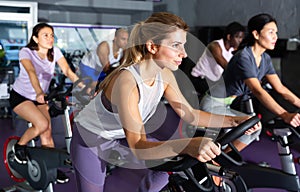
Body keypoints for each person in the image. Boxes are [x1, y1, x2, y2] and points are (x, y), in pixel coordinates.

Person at [70, 12, 260, 192]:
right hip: (92, 139)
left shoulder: (165, 74)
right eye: (176, 45)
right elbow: (138, 146)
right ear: (153, 47)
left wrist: (235, 121)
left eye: (183, 46)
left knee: (170, 163)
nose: (184, 54)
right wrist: (188, 145)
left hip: (120, 135)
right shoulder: (127, 83)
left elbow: (191, 115)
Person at [200, 13, 300, 152]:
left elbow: (281, 88)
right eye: (270, 32)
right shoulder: (244, 57)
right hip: (212, 104)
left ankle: (219, 160)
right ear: (256, 34)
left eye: (276, 33)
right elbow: (257, 91)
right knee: (252, 126)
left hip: (226, 105)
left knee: (253, 127)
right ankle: (216, 162)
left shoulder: (265, 59)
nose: (275, 37)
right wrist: (285, 115)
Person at [9, 23, 84, 183]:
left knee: (47, 133)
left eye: (51, 35)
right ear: (35, 38)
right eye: (45, 35)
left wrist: (84, 87)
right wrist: (38, 92)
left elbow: (67, 71)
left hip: (41, 97)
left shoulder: (55, 52)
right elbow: (31, 72)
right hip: (21, 97)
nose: (50, 38)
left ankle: (50, 169)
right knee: (42, 124)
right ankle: (19, 147)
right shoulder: (26, 52)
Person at [190, 22, 245, 95]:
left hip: (213, 81)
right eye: (238, 37)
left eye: (241, 38)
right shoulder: (215, 46)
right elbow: (225, 65)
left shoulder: (233, 50)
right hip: (199, 79)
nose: (240, 40)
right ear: (229, 37)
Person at [78, 28, 129, 93]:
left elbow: (122, 66)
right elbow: (106, 68)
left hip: (100, 70)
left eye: (127, 40)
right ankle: (86, 92)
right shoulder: (104, 46)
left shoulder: (123, 49)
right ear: (115, 38)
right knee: (96, 85)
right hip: (88, 67)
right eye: (123, 39)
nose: (126, 42)